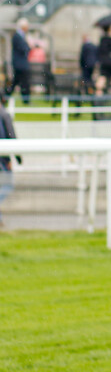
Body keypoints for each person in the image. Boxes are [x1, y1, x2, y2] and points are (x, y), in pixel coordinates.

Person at [0, 96, 21, 227]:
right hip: (3, 159)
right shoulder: (4, 114)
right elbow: (11, 135)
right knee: (8, 185)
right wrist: (18, 157)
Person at [9, 19, 32, 103]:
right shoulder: (17, 36)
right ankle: (26, 100)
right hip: (20, 64)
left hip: (20, 64)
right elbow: (23, 49)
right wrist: (29, 46)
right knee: (24, 82)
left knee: (16, 82)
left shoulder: (20, 36)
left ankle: (6, 95)